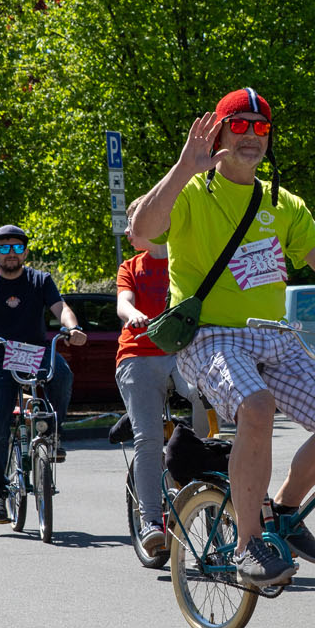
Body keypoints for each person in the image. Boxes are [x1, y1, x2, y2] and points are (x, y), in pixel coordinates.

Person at [130, 87, 315, 591]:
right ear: (219, 131)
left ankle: (286, 510)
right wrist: (185, 167)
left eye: (261, 127)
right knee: (256, 408)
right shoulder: (190, 192)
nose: (252, 136)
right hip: (209, 337)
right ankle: (247, 544)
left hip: (274, 337)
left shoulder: (283, 203)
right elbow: (142, 229)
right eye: (240, 125)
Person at [0, 225, 87, 524]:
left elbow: (61, 307)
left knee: (63, 375)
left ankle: (53, 434)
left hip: (34, 353)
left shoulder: (39, 280)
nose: (11, 254)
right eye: (4, 248)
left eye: (17, 248)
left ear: (26, 252)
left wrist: (72, 328)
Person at [116, 198, 215, 559]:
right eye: (132, 225)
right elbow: (122, 303)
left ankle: (207, 479)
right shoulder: (131, 267)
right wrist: (134, 314)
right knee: (148, 437)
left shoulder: (183, 261)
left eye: (141, 221)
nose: (133, 230)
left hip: (180, 353)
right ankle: (150, 523)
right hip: (138, 355)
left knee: (203, 396)